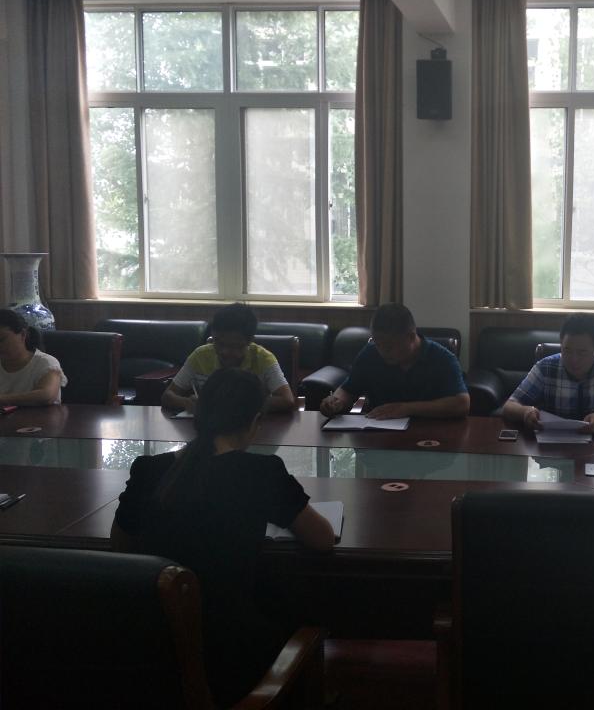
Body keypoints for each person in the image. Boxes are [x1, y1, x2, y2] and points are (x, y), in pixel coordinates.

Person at [112, 368, 334, 706]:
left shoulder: (149, 469)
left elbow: (120, 548)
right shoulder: (262, 472)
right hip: (232, 659)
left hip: (152, 652)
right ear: (255, 420)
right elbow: (323, 538)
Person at [320, 303, 469, 419]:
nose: (382, 351)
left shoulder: (442, 359)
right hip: (378, 434)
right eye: (377, 343)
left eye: (389, 346)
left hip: (429, 435)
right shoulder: (370, 353)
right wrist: (336, 401)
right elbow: (349, 389)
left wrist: (406, 409)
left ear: (411, 337)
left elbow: (461, 404)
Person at [502, 313, 594, 433]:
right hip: (555, 445)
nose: (573, 359)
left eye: (582, 352)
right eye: (567, 350)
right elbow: (509, 406)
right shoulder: (546, 367)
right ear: (561, 344)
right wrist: (526, 412)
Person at [162, 302, 296, 413]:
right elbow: (168, 395)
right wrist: (186, 403)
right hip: (209, 429)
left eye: (234, 346)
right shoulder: (200, 356)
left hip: (252, 429)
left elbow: (287, 400)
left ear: (249, 341)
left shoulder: (263, 359)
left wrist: (240, 405)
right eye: (219, 343)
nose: (224, 351)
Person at [0, 309, 67, 406]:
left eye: (1, 339)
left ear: (23, 334)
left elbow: (47, 395)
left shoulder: (46, 362)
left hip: (41, 416)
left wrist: (3, 399)